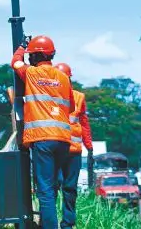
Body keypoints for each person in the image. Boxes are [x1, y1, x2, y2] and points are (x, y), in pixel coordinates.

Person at [11, 35, 74, 229]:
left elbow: (15, 62)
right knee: (54, 187)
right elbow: (70, 107)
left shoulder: (32, 74)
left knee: (45, 191)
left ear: (37, 56)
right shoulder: (63, 77)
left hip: (42, 139)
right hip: (62, 140)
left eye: (31, 55)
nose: (29, 58)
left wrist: (21, 46)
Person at [54, 62, 93, 229]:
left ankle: (67, 224)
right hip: (55, 149)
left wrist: (89, 145)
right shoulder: (49, 97)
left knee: (70, 189)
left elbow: (84, 123)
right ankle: (48, 222)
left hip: (73, 151)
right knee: (52, 187)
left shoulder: (79, 97)